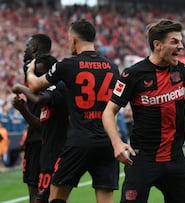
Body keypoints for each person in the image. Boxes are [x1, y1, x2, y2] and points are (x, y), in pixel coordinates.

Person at [102, 18, 185, 203]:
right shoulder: (133, 74)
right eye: (175, 41)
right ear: (157, 45)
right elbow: (108, 111)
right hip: (142, 160)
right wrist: (117, 143)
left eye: (181, 41)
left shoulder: (179, 70)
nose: (181, 46)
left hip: (175, 159)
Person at [26, 19, 120, 203]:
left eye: (69, 39)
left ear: (74, 39)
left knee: (56, 196)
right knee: (106, 199)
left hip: (79, 141)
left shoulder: (67, 64)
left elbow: (35, 86)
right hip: (106, 142)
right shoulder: (112, 67)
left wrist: (30, 71)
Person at [12, 53, 68, 203]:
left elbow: (36, 97)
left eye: (39, 74)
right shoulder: (49, 96)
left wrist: (20, 87)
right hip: (49, 153)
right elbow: (43, 127)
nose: (35, 78)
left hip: (58, 153)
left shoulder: (58, 88)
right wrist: (23, 110)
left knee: (44, 199)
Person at [16, 33, 53, 203]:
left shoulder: (32, 66)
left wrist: (19, 90)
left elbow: (36, 96)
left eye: (27, 46)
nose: (24, 50)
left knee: (34, 191)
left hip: (37, 137)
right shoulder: (56, 67)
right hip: (54, 139)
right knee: (55, 192)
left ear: (34, 48)